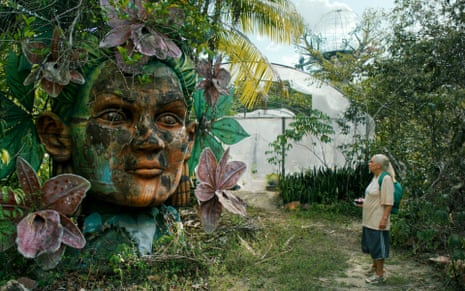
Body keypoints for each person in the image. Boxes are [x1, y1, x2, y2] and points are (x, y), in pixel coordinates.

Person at [360, 154, 395, 284]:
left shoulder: (385, 179)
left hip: (378, 220)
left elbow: (389, 202)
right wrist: (364, 202)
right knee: (371, 246)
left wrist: (384, 219)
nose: (369, 163)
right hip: (369, 220)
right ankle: (375, 268)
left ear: (378, 165)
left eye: (371, 162)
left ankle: (379, 275)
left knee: (378, 248)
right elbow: (374, 196)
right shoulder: (376, 177)